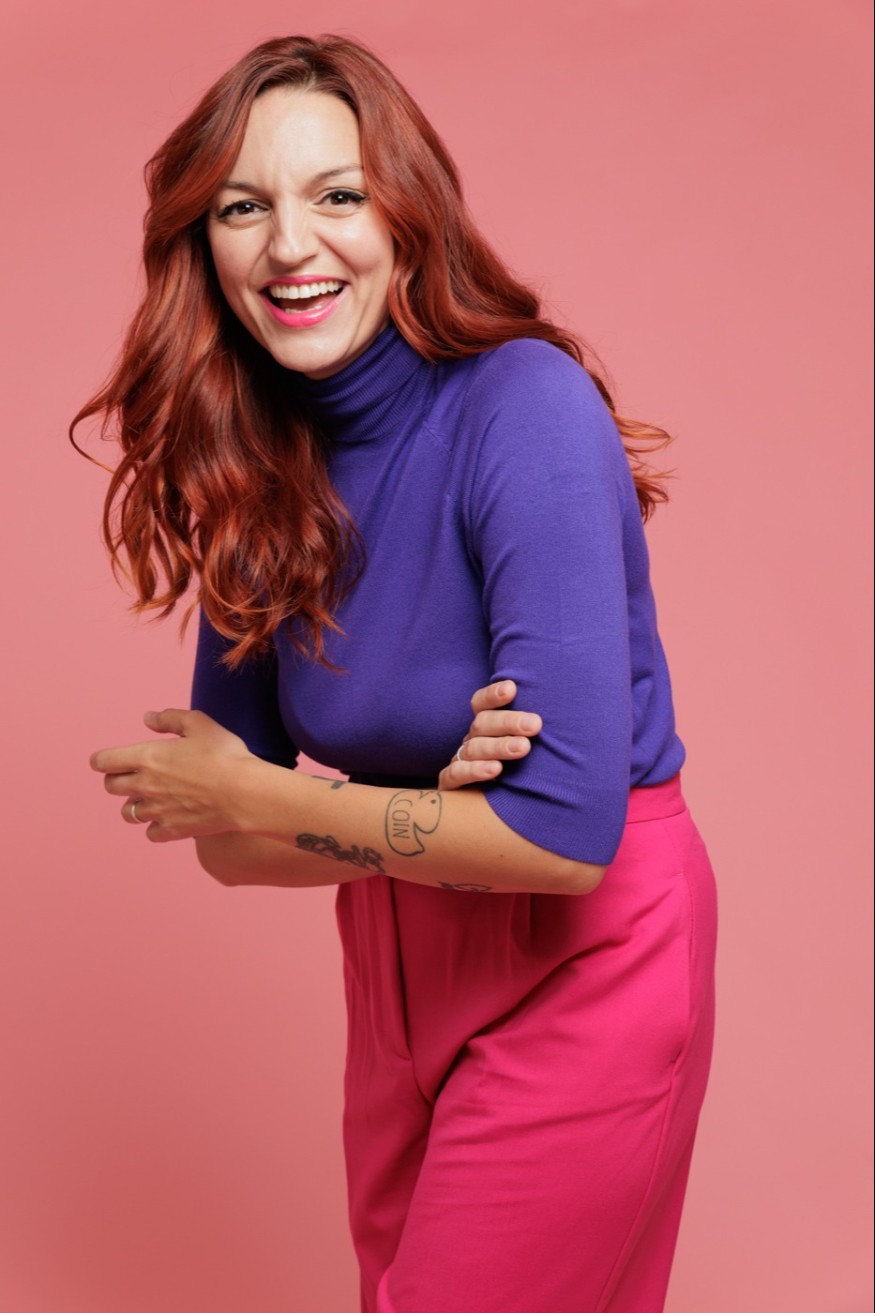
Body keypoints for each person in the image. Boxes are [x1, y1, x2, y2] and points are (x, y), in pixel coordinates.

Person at [75, 34, 718, 1313]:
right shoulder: (252, 463)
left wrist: (276, 799)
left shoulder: (521, 406)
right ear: (202, 244)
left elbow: (562, 839)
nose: (289, 245)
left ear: (405, 214)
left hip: (587, 963)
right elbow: (231, 846)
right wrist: (420, 812)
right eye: (243, 208)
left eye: (336, 194)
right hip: (392, 968)